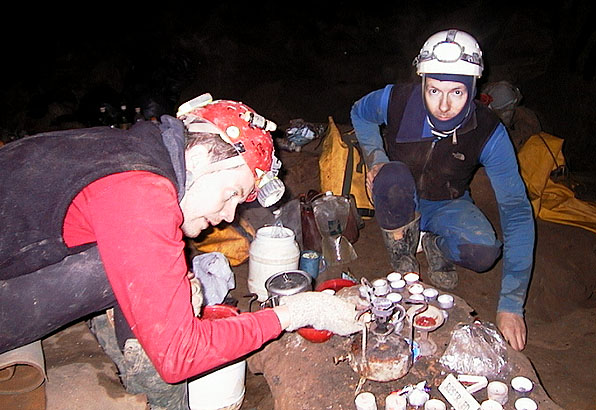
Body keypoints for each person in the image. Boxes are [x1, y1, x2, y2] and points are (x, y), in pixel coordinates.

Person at [0, 94, 363, 409]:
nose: (228, 216)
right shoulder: (142, 192)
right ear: (200, 156)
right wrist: (293, 313)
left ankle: (137, 365)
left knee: (129, 270)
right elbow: (181, 356)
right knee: (119, 280)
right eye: (232, 194)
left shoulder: (137, 150)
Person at [350, 29, 535, 351]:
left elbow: (516, 210)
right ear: (422, 81)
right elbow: (360, 113)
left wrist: (511, 305)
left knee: (484, 252)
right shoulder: (396, 100)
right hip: (399, 195)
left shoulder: (488, 131)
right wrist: (376, 157)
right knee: (391, 177)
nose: (444, 105)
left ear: (473, 88)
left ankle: (433, 244)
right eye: (434, 90)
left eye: (457, 92)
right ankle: (402, 253)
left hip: (448, 202)